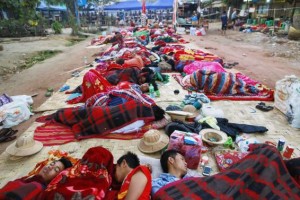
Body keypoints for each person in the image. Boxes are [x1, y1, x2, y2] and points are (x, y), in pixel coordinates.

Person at [0, 157, 73, 200]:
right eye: (52, 164)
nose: (50, 167)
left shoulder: (37, 186)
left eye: (56, 170)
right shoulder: (28, 179)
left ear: (56, 179)